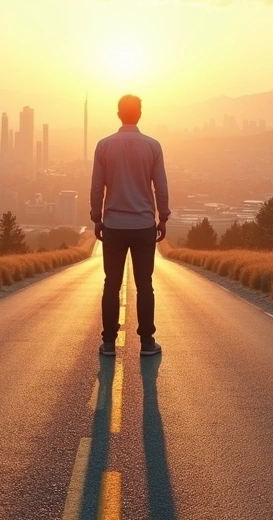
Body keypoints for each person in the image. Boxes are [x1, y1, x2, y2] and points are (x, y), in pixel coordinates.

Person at [91, 94, 170, 357]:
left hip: (113, 225)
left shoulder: (104, 146)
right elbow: (161, 186)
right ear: (139, 114)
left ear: (118, 114)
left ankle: (109, 343)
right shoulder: (153, 146)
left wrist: (96, 218)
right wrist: (163, 217)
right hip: (143, 225)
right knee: (144, 284)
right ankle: (147, 342)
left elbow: (96, 187)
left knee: (111, 284)